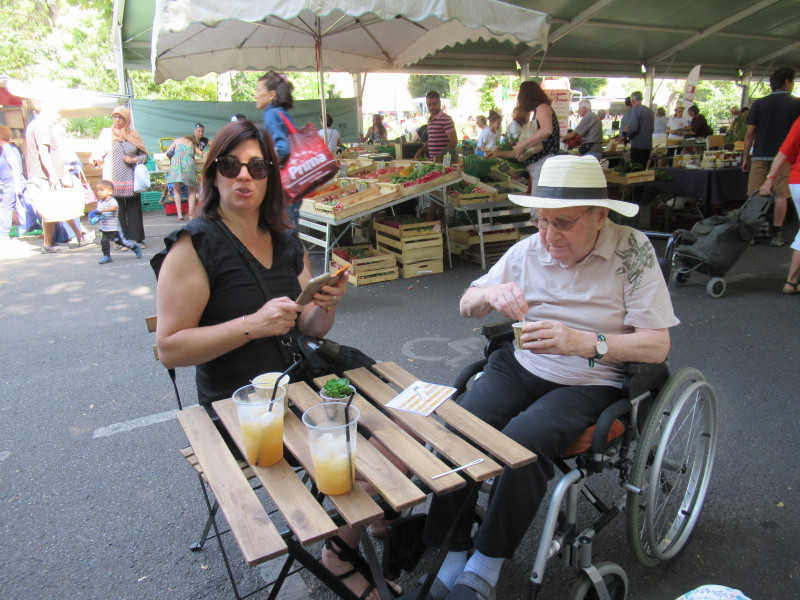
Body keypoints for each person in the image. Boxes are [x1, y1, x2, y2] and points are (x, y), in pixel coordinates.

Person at [150, 119, 395, 600]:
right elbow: (168, 349)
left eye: (256, 167)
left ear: (270, 178)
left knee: (400, 435)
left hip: (301, 382)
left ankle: (346, 533)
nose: (244, 176)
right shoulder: (193, 245)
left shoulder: (286, 238)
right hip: (241, 405)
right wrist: (253, 324)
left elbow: (308, 329)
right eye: (230, 165)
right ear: (213, 174)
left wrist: (326, 303)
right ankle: (344, 552)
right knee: (374, 466)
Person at [421, 154, 678, 600]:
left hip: (589, 378)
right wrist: (489, 294)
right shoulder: (529, 249)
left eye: (563, 223)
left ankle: (485, 566)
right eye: (540, 221)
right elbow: (467, 302)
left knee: (524, 439)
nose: (548, 236)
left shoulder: (632, 252)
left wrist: (584, 342)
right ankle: (453, 551)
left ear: (600, 216)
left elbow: (657, 345)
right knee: (458, 426)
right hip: (522, 363)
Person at [743, 66, 800, 247]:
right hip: (784, 157)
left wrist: (745, 157)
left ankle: (753, 232)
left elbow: (750, 133)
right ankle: (777, 234)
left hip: (760, 154)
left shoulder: (759, 104)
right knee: (781, 195)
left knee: (755, 194)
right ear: (787, 82)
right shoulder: (797, 104)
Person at [25, 101, 88, 253]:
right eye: (57, 113)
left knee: (58, 206)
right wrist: (52, 174)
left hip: (43, 175)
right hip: (44, 176)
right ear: (48, 112)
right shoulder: (42, 126)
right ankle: (48, 244)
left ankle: (78, 235)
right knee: (51, 208)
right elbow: (43, 152)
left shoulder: (35, 125)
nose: (58, 116)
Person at [90, 107, 149, 248]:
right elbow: (97, 153)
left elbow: (145, 156)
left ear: (126, 119)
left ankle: (137, 239)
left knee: (134, 208)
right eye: (115, 117)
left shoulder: (134, 135)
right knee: (117, 210)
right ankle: (120, 241)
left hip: (131, 179)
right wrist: (95, 159)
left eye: (120, 117)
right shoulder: (106, 134)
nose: (117, 120)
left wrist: (134, 160)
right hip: (112, 179)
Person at [758, 114, 800, 294]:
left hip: (797, 182)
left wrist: (770, 179)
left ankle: (792, 282)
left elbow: (783, 152)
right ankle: (791, 281)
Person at [255, 70, 301, 229]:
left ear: (271, 94)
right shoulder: (282, 113)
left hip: (284, 183)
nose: (255, 95)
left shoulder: (271, 115)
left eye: (258, 90)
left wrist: (264, 163)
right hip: (295, 180)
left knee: (284, 228)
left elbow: (282, 148)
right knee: (291, 224)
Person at [510, 80, 560, 194]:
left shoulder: (542, 107)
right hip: (542, 166)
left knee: (540, 208)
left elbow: (546, 130)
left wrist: (523, 145)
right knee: (538, 207)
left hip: (543, 164)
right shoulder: (541, 109)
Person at [94, 180, 142, 263]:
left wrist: (102, 210)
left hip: (114, 228)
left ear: (110, 192)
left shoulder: (112, 201)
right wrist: (96, 218)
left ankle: (134, 247)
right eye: (98, 190)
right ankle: (107, 256)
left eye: (102, 190)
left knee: (121, 242)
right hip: (104, 228)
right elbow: (99, 214)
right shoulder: (100, 203)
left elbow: (113, 208)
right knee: (104, 242)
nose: (99, 192)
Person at [413, 90, 457, 161]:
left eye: (434, 104)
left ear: (439, 103)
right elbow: (431, 141)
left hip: (446, 164)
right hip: (434, 163)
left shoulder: (446, 119)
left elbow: (454, 141)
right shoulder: (430, 120)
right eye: (429, 105)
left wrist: (442, 157)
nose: (432, 107)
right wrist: (421, 150)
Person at [165, 134, 199, 220]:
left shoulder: (177, 140)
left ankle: (180, 215)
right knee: (192, 190)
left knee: (176, 190)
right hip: (188, 163)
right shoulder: (192, 143)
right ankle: (191, 215)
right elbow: (193, 156)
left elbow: (167, 152)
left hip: (176, 163)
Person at [0, 125, 24, 244]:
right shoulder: (10, 148)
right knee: (24, 206)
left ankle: (4, 234)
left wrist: (16, 184)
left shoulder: (6, 149)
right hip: (14, 181)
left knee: (6, 207)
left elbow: (14, 166)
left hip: (11, 182)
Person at [621, 91, 655, 168]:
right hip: (648, 144)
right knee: (643, 169)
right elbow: (652, 129)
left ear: (632, 101)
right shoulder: (650, 111)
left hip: (638, 146)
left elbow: (633, 129)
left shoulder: (636, 110)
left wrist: (625, 134)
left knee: (636, 170)